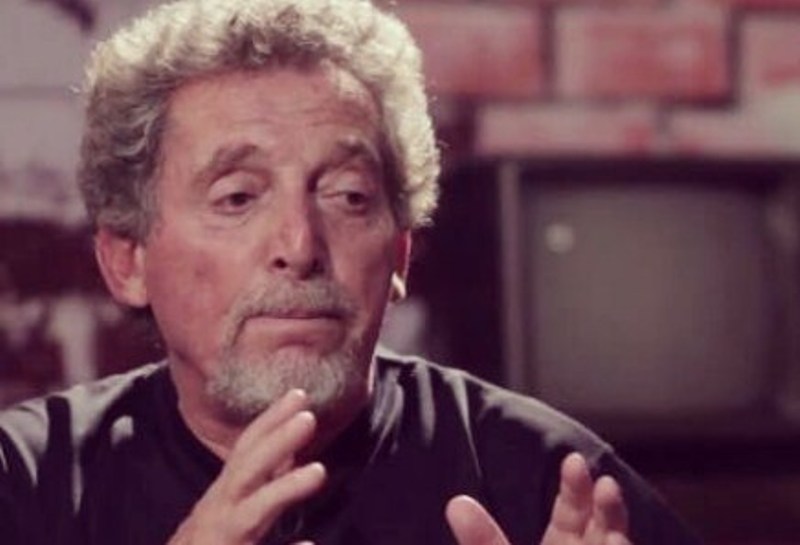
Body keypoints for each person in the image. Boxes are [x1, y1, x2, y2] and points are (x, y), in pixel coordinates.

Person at [0, 0, 700, 544]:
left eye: (348, 196)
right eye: (238, 197)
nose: (300, 245)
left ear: (399, 254)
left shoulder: (553, 483)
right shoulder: (26, 482)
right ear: (127, 260)